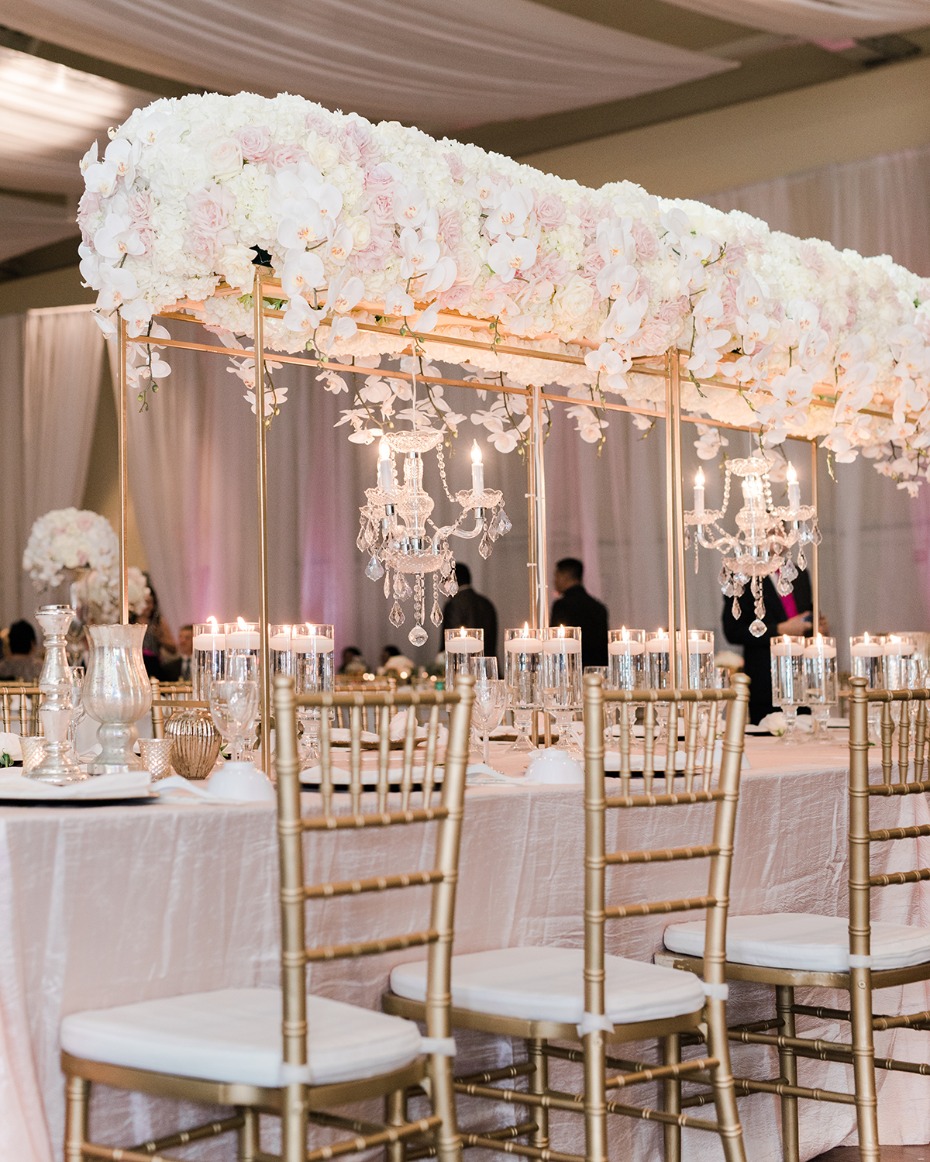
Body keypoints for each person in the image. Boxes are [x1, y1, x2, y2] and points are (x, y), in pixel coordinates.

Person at [722, 569, 818, 725]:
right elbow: (733, 630)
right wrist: (779, 630)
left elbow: (805, 612)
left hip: (801, 676)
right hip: (766, 679)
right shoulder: (743, 576)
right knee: (767, 731)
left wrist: (816, 625)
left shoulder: (798, 573)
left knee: (804, 730)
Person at [551, 558, 608, 668]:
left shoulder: (562, 606)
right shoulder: (598, 607)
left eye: (556, 576)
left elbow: (556, 643)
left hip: (570, 670)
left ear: (565, 576)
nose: (554, 581)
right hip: (595, 672)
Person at [441, 563, 498, 659]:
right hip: (488, 667)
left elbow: (450, 640)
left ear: (452, 580)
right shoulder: (486, 603)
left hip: (463, 667)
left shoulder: (454, 604)